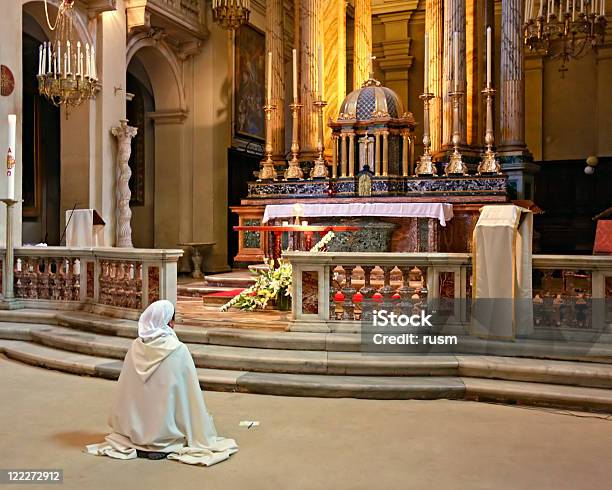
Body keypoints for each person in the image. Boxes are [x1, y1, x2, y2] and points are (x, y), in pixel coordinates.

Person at [85, 300, 238, 466]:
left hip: (135, 426)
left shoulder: (135, 347)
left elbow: (126, 391)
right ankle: (161, 441)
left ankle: (141, 439)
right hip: (166, 429)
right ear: (169, 322)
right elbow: (189, 393)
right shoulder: (177, 349)